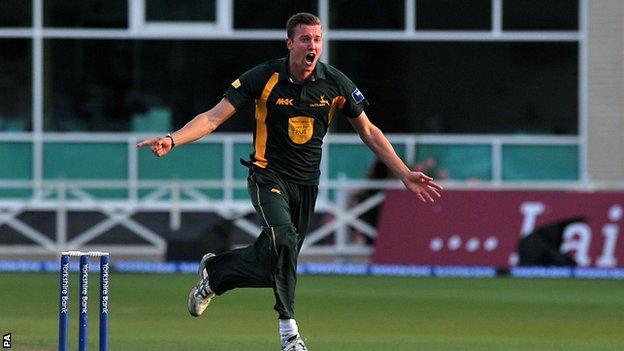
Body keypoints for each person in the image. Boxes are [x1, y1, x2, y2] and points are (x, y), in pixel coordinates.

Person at [137, 12, 443, 351]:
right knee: (283, 239)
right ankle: (289, 333)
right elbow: (212, 118)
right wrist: (173, 138)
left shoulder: (336, 84)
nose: (312, 46)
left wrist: (403, 172)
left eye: (317, 40)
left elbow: (369, 131)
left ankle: (215, 272)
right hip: (267, 176)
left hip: (306, 186)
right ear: (289, 43)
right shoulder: (265, 76)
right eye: (305, 39)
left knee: (276, 265)